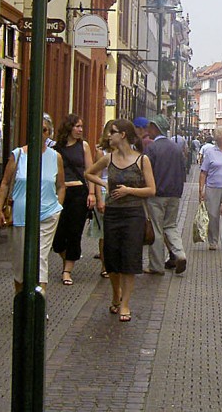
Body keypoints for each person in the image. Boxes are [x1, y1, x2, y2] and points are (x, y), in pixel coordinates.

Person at [85, 119, 155, 321]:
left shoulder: (142, 160)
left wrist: (128, 190)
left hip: (134, 214)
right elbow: (88, 173)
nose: (109, 136)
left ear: (122, 135)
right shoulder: (109, 159)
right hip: (113, 213)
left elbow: (151, 189)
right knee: (112, 258)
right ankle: (116, 293)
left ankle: (125, 304)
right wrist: (104, 183)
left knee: (130, 258)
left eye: (112, 132)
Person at [0, 115, 66, 298]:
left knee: (40, 257)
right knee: (21, 262)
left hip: (47, 215)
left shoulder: (55, 157)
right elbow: (6, 183)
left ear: (49, 133)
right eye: (36, 129)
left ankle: (38, 303)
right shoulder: (18, 155)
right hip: (21, 215)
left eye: (44, 130)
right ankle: (21, 299)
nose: (40, 134)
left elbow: (61, 185)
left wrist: (58, 206)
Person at [50, 114, 95, 286]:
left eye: (81, 126)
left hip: (79, 193)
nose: (80, 130)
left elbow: (89, 171)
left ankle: (67, 270)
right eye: (77, 126)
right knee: (58, 237)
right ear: (68, 128)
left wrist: (91, 193)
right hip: (60, 193)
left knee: (75, 233)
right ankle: (66, 257)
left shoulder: (83, 146)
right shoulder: (56, 148)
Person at [142, 115, 188, 275]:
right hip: (174, 194)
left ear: (155, 128)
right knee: (171, 226)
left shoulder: (152, 148)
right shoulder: (176, 148)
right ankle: (179, 253)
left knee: (157, 229)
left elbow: (146, 172)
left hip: (157, 194)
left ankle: (156, 265)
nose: (148, 131)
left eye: (149, 127)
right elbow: (183, 171)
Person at [197, 126, 222, 252]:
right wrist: (201, 189)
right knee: (213, 215)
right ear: (218, 137)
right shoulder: (210, 152)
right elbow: (203, 172)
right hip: (213, 187)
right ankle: (213, 241)